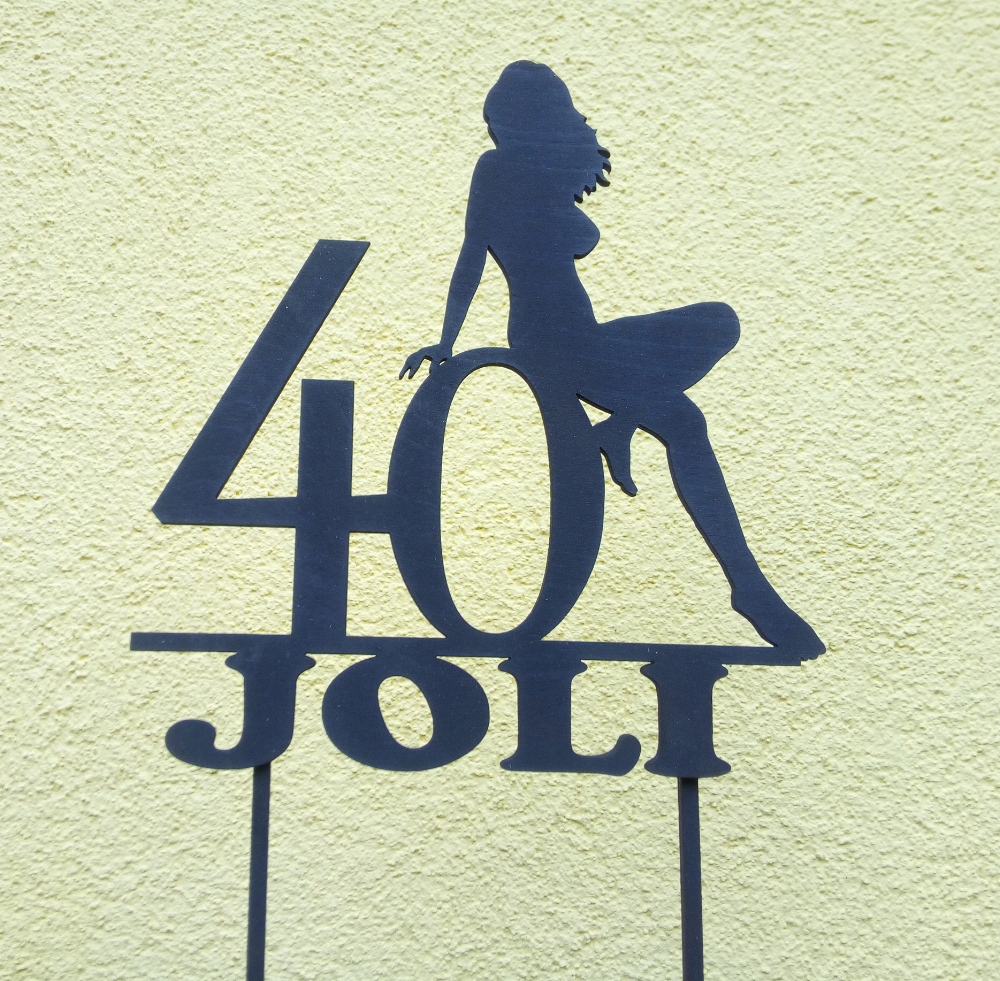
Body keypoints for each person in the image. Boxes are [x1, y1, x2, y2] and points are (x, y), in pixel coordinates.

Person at [401, 61, 818, 651]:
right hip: (550, 343)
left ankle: (742, 580)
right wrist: (446, 340)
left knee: (708, 350)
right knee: (692, 396)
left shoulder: (541, 177)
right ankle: (746, 582)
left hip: (582, 336)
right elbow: (473, 252)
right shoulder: (496, 170)